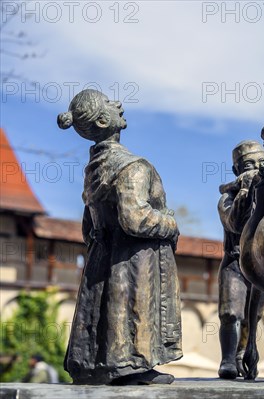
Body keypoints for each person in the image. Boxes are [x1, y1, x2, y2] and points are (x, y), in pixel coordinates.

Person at [57, 89, 182, 385]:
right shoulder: (132, 167)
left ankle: (94, 364)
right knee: (131, 308)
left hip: (102, 256)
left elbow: (88, 226)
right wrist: (169, 223)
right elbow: (135, 219)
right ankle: (130, 366)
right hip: (134, 261)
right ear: (102, 121)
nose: (119, 105)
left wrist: (100, 245)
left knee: (102, 310)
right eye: (110, 104)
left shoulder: (93, 170)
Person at [217, 140, 264, 379]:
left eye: (261, 164)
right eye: (249, 165)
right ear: (237, 170)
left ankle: (242, 355)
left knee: (252, 317)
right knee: (230, 313)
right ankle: (227, 359)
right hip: (235, 263)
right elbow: (235, 223)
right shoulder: (226, 199)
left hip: (260, 266)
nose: (256, 168)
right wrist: (244, 192)